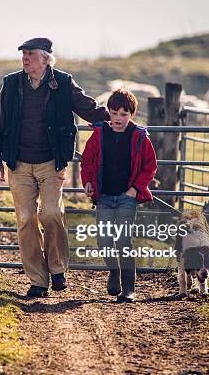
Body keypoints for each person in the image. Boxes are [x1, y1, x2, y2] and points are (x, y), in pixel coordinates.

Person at [0, 37, 110, 298]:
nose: (25, 58)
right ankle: (38, 280)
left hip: (50, 163)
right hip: (18, 163)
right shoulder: (11, 83)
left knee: (53, 214)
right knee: (25, 220)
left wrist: (118, 119)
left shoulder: (63, 83)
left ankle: (57, 269)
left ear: (45, 58)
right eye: (23, 54)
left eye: (30, 54)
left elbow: (89, 109)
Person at [80, 88, 157, 302]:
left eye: (123, 114)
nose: (118, 119)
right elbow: (86, 161)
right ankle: (114, 271)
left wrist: (135, 190)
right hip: (103, 196)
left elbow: (150, 165)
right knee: (104, 240)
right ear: (109, 113)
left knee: (123, 240)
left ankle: (129, 288)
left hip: (127, 196)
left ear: (131, 115)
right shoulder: (99, 134)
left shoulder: (139, 137)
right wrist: (87, 182)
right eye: (114, 114)